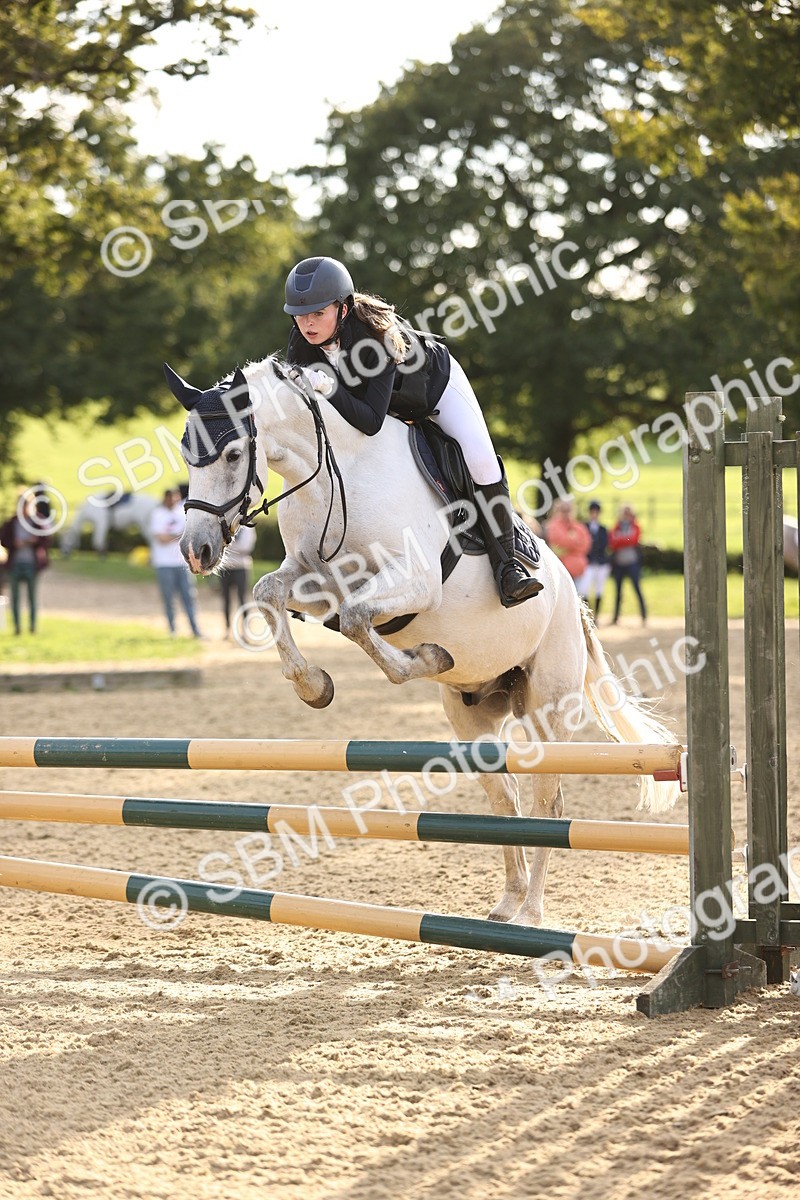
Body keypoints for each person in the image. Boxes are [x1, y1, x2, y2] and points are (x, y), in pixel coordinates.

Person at [283, 255, 542, 607]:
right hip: (386, 406)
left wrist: (328, 388)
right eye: (300, 315)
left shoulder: (377, 338)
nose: (308, 324)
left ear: (343, 310)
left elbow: (370, 422)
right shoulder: (302, 344)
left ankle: (508, 567)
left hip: (436, 391)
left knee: (480, 462)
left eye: (317, 314)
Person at [149, 487, 203, 638]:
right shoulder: (158, 514)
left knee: (189, 597)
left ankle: (195, 629)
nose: (174, 501)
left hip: (183, 563)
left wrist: (174, 536)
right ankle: (173, 630)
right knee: (168, 598)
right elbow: (161, 538)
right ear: (165, 499)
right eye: (171, 498)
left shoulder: (183, 512)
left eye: (176, 497)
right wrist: (181, 534)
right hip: (164, 563)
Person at [0, 492, 50, 635]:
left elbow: (47, 539)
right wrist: (14, 543)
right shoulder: (12, 522)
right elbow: (3, 539)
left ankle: (32, 627)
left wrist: (35, 541)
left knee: (32, 597)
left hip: (32, 564)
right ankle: (17, 628)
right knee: (15, 598)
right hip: (15, 564)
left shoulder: (38, 522)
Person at [609, 504, 647, 625]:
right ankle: (615, 617)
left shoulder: (635, 525)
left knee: (637, 588)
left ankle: (644, 615)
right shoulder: (617, 526)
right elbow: (612, 542)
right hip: (619, 563)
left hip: (632, 562)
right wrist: (625, 539)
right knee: (618, 591)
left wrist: (621, 539)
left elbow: (634, 539)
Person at [544, 497, 591, 588]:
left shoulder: (578, 526)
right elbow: (559, 540)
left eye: (569, 510)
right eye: (563, 510)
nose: (566, 513)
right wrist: (575, 542)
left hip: (578, 572)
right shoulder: (553, 526)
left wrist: (568, 545)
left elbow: (586, 544)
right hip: (561, 572)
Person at [221, 523, 257, 637]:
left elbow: (247, 547)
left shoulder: (247, 527)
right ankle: (227, 628)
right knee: (226, 599)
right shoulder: (225, 526)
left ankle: (245, 630)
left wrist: (228, 546)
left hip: (242, 567)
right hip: (226, 567)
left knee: (242, 599)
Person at [578, 500, 611, 617]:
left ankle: (596, 615)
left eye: (596, 512)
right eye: (592, 511)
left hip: (601, 563)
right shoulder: (584, 527)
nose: (594, 514)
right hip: (589, 562)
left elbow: (605, 545)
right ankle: (588, 615)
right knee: (584, 589)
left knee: (599, 589)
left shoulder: (603, 529)